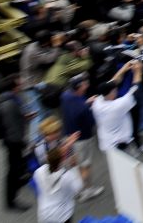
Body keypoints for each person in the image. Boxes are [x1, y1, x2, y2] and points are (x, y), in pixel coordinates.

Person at [0, 74, 32, 211]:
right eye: (19, 84)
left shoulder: (10, 99)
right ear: (13, 88)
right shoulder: (10, 105)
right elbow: (13, 130)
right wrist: (23, 143)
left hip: (10, 139)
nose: (21, 86)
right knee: (12, 171)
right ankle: (11, 202)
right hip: (12, 142)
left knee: (17, 165)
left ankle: (21, 178)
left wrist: (24, 117)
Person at [59, 73, 104, 202]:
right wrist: (89, 106)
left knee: (76, 164)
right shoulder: (83, 108)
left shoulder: (66, 96)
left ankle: (79, 188)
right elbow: (91, 123)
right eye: (85, 83)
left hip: (68, 135)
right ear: (79, 87)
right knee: (85, 165)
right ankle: (87, 190)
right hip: (83, 139)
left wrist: (86, 102)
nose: (87, 84)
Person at [92, 61, 143, 154]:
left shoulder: (98, 101)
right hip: (119, 145)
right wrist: (138, 71)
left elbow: (112, 82)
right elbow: (136, 90)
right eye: (114, 90)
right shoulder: (117, 106)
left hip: (106, 143)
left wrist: (123, 69)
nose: (116, 90)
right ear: (111, 93)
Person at [33, 147, 83, 223]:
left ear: (47, 158)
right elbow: (79, 187)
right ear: (61, 161)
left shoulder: (39, 172)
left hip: (44, 213)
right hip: (62, 215)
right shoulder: (68, 176)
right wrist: (75, 167)